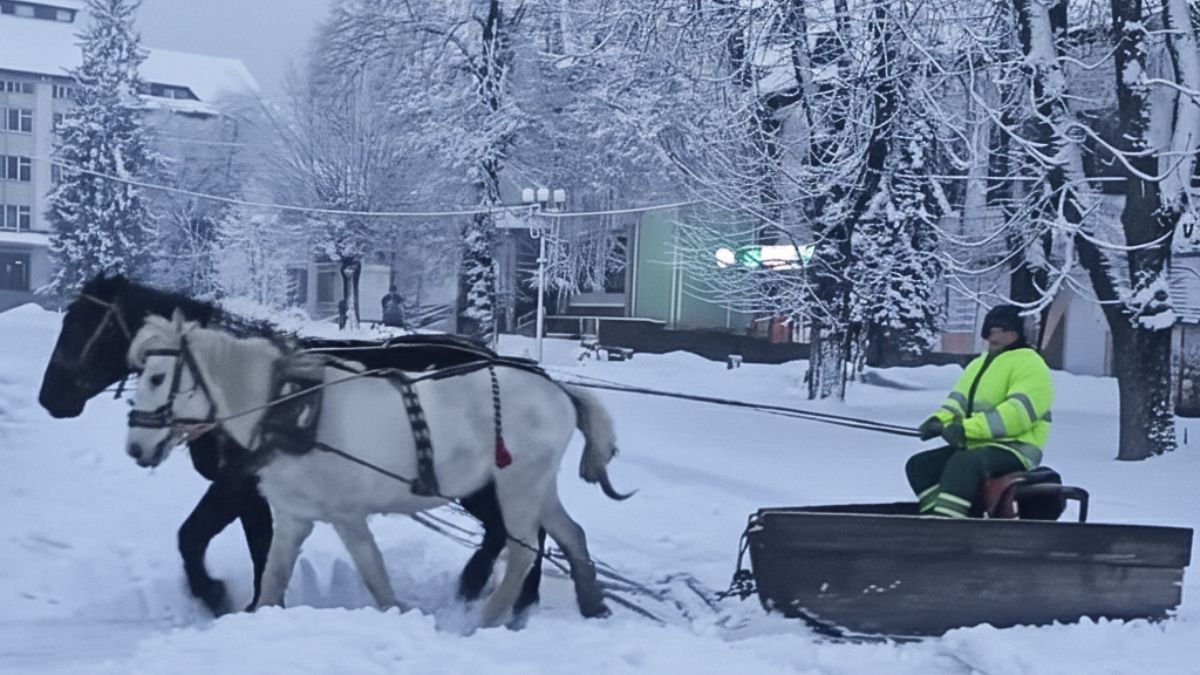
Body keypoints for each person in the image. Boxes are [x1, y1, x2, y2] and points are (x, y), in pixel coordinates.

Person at [906, 304, 1054, 518]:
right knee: (921, 465)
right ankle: (933, 516)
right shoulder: (978, 364)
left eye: (1002, 330)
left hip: (1015, 448)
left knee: (964, 463)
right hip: (979, 444)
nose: (995, 336)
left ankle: (948, 524)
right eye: (992, 330)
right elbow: (957, 402)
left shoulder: (1030, 364)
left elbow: (1017, 414)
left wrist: (966, 429)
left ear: (1016, 334)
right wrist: (938, 420)